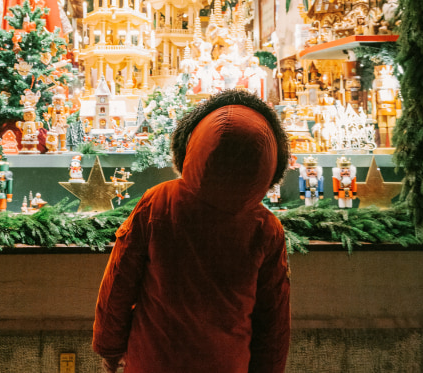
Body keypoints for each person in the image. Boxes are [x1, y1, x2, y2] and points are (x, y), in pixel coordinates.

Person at [93, 89, 291, 373]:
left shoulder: (158, 202)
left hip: (153, 361)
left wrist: (109, 347)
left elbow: (119, 283)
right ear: (269, 160)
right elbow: (273, 321)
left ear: (194, 144)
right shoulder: (266, 228)